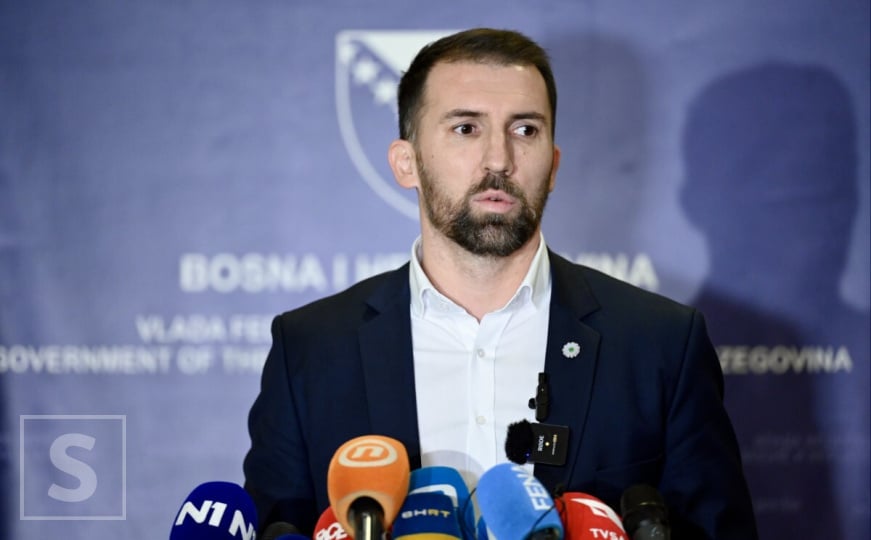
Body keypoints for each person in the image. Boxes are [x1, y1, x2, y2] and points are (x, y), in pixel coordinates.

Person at [243, 28, 758, 538]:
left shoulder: (659, 344)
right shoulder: (311, 349)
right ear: (406, 162)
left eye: (525, 130)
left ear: (553, 165)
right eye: (466, 128)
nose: (499, 159)